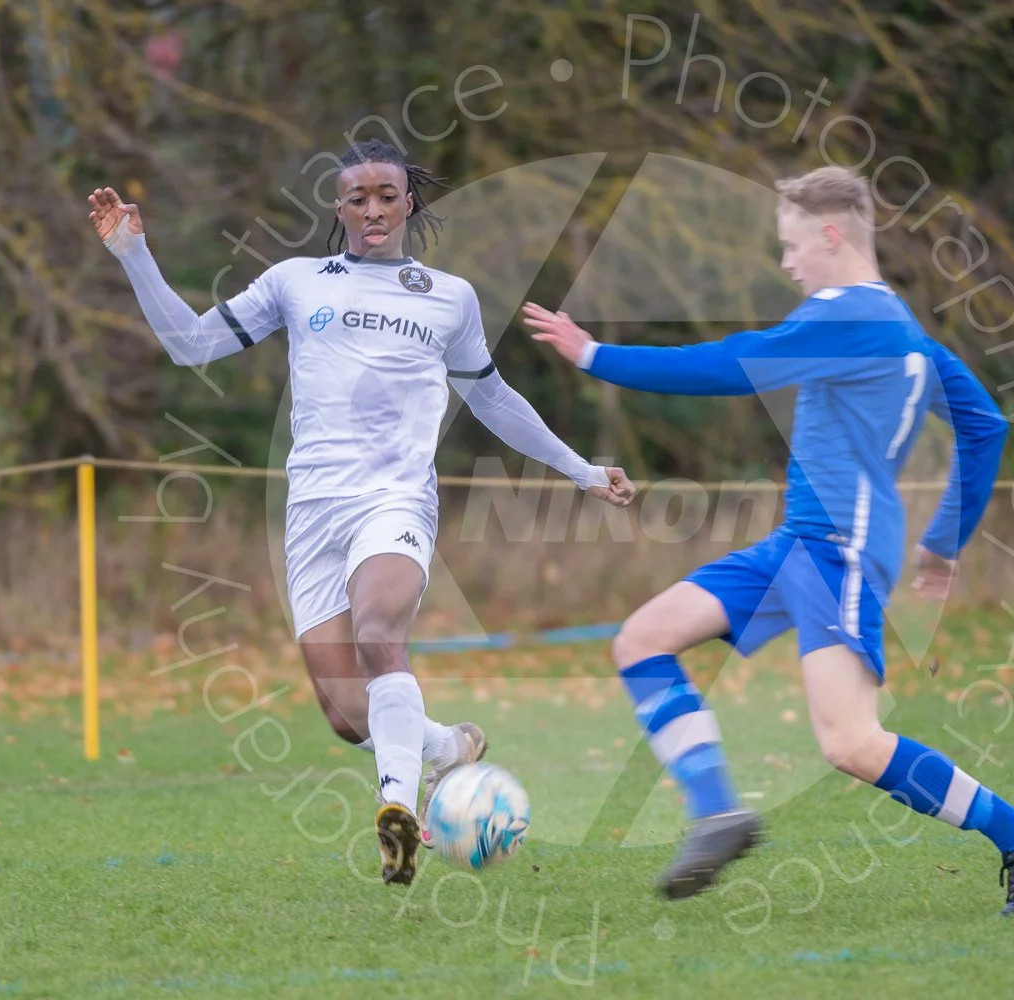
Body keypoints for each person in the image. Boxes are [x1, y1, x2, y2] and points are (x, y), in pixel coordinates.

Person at [523, 165, 1014, 915]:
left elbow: (728, 365)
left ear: (830, 234)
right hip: (801, 544)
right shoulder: (901, 328)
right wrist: (944, 541)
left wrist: (596, 356)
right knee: (642, 640)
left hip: (839, 550)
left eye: (790, 246)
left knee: (850, 742)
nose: (786, 264)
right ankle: (718, 812)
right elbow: (985, 424)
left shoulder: (848, 319)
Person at [89, 138, 635, 886]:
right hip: (313, 509)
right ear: (338, 207)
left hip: (396, 498)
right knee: (349, 718)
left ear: (409, 202)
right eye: (358, 197)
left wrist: (580, 469)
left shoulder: (449, 297)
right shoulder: (295, 281)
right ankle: (445, 747)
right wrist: (132, 255)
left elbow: (494, 398)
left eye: (387, 194)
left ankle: (397, 814)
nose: (373, 208)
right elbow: (190, 346)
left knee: (381, 633)